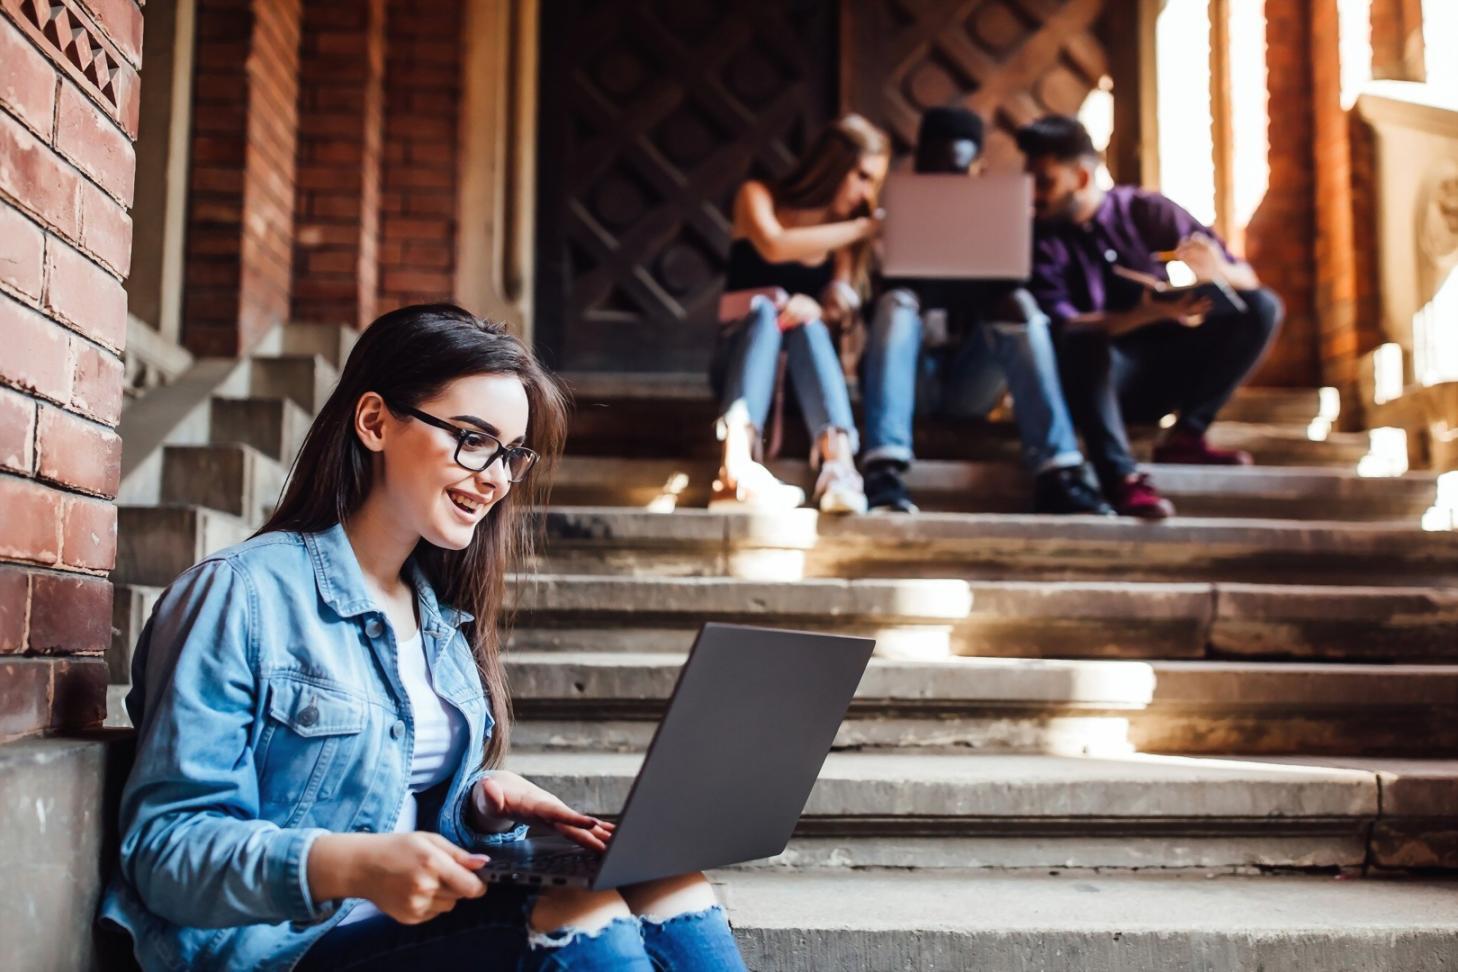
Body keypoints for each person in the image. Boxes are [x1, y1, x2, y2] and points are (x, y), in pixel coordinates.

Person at [98, 305, 748, 971]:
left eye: (512, 455)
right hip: (277, 948)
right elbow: (165, 850)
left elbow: (386, 799)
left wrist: (478, 806)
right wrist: (346, 864)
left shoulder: (439, 617)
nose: (496, 477)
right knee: (579, 910)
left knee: (670, 881)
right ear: (375, 422)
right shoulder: (241, 594)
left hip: (407, 931)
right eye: (472, 439)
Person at [1018, 115, 1284, 519]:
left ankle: (1187, 436)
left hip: (1166, 368)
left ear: (1083, 178)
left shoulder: (1147, 211)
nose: (1033, 196)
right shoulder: (1039, 239)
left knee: (1262, 307)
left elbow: (1247, 278)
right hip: (1094, 383)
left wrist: (1217, 273)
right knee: (1085, 340)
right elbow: (1063, 326)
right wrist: (1141, 314)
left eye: (1044, 182)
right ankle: (1121, 478)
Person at [859, 106, 1111, 515]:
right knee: (897, 302)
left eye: (957, 173)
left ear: (977, 169)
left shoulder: (1006, 222)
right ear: (920, 169)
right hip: (911, 379)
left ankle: (1058, 471)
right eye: (937, 173)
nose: (948, 184)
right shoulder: (883, 223)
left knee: (1020, 304)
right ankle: (883, 470)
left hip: (969, 383)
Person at [709, 113, 889, 515]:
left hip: (801, 379)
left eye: (874, 182)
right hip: (739, 364)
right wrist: (863, 230)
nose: (866, 193)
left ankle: (839, 466)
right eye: (862, 176)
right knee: (765, 313)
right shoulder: (757, 196)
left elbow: (834, 308)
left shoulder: (841, 236)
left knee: (806, 322)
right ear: (832, 166)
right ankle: (734, 468)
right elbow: (774, 245)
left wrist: (820, 307)